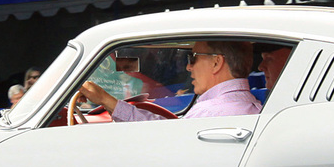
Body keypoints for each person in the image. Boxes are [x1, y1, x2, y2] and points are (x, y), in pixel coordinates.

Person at [76, 41, 262, 122]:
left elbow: (165, 138)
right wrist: (106, 100)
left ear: (216, 62)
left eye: (193, 58)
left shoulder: (210, 112)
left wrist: (105, 100)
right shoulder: (252, 105)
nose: (189, 67)